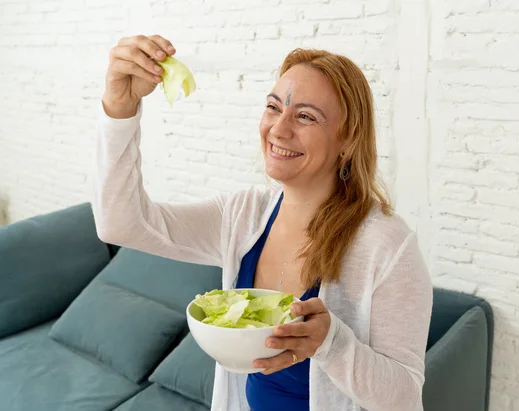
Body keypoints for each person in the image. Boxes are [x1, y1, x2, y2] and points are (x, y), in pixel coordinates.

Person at [93, 34, 433, 411]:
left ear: (349, 139)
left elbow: (405, 398)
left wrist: (332, 344)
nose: (279, 129)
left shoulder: (386, 245)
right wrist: (119, 108)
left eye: (305, 116)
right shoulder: (242, 215)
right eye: (274, 107)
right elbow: (121, 224)